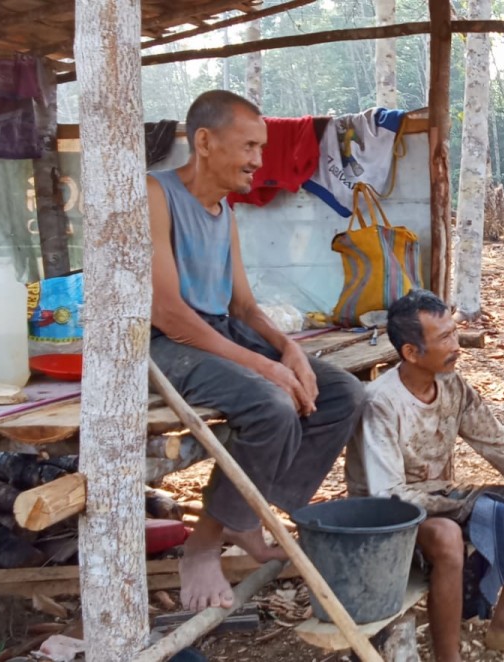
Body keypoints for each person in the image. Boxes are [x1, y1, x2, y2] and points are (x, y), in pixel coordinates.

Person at [148, 90, 366, 612]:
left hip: (219, 329)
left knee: (343, 393)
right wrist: (263, 366)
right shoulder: (155, 194)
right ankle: (202, 546)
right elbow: (169, 313)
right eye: (248, 146)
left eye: (261, 148)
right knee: (270, 404)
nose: (258, 161)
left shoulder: (223, 211)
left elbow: (243, 305)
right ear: (204, 142)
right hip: (163, 342)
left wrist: (288, 349)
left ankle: (247, 514)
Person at [346, 290, 504, 661]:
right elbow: (387, 498)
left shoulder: (451, 384)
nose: (456, 344)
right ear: (411, 353)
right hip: (383, 522)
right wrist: (464, 506)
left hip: (437, 498)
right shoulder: (380, 403)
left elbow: (502, 444)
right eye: (443, 337)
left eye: (453, 331)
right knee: (446, 535)